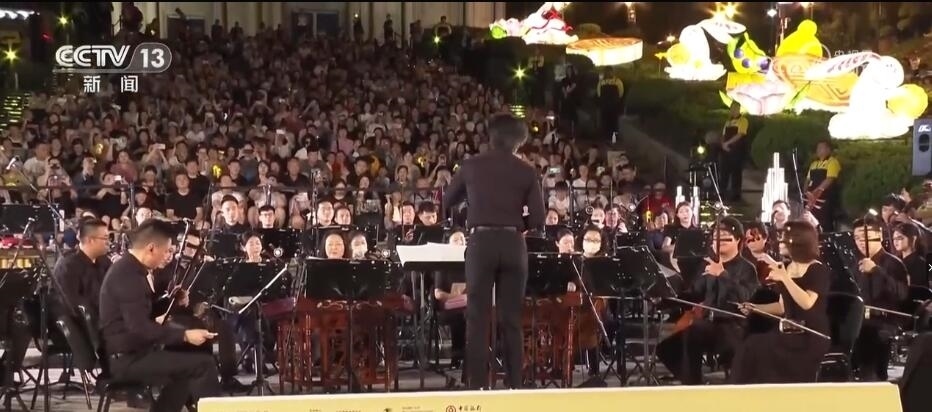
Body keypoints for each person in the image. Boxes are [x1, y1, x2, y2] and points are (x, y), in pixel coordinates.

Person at [442, 113, 546, 390]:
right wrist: (517, 224)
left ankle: (477, 385)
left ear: (491, 135)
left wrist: (471, 211)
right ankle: (515, 385)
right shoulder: (526, 171)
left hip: (481, 241)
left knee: (477, 317)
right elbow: (538, 218)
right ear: (519, 141)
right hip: (513, 243)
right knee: (511, 319)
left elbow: (448, 200)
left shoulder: (471, 165)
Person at [98, 219, 220, 412]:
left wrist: (172, 300)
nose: (168, 256)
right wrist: (184, 335)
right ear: (151, 248)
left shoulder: (132, 269)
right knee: (203, 365)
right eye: (166, 251)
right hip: (126, 359)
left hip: (133, 351)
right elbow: (139, 327)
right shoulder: (127, 276)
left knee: (191, 362)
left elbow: (143, 311)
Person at [656, 217, 759, 385]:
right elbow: (694, 293)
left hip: (735, 325)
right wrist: (664, 297)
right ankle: (693, 381)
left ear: (738, 240)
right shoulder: (708, 264)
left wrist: (723, 275)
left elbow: (746, 297)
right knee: (666, 348)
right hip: (709, 324)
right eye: (716, 238)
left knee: (694, 332)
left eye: (725, 238)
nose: (719, 242)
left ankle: (693, 384)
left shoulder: (747, 268)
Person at [732, 220, 831, 383]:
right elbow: (781, 307)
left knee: (760, 347)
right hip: (788, 331)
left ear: (798, 241)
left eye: (784, 239)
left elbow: (807, 303)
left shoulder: (817, 269)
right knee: (750, 345)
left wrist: (785, 278)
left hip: (810, 334)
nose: (780, 243)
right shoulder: (787, 267)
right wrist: (755, 307)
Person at [851, 215, 909, 381]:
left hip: (884, 323)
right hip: (860, 322)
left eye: (866, 237)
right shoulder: (856, 264)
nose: (862, 242)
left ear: (879, 236)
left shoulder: (893, 263)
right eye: (857, 238)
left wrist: (877, 270)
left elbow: (902, 294)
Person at [805, 141, 841, 231]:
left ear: (828, 150)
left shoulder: (833, 162)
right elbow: (807, 180)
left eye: (821, 148)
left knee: (824, 223)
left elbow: (829, 179)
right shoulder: (813, 164)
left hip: (825, 199)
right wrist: (805, 192)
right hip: (810, 199)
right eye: (817, 148)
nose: (818, 150)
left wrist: (816, 192)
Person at [719, 102, 749, 202]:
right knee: (724, 172)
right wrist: (723, 144)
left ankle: (736, 196)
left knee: (736, 173)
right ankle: (722, 194)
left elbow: (740, 134)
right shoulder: (728, 121)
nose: (733, 110)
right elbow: (723, 134)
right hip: (726, 150)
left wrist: (728, 143)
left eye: (735, 108)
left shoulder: (743, 121)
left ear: (739, 109)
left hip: (737, 151)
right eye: (732, 108)